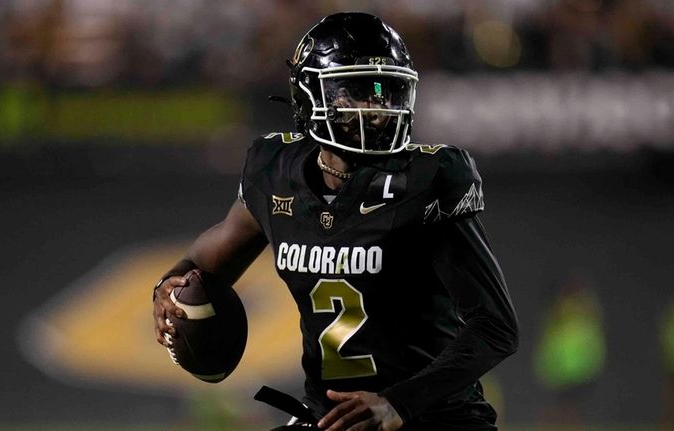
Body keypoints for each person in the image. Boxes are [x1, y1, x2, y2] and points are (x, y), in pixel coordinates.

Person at [152, 12, 519, 431]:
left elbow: (495, 326)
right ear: (308, 95)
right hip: (332, 419)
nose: (377, 108)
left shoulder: (425, 180)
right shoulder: (276, 173)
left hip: (433, 417)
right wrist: (168, 287)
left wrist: (396, 402)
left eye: (386, 92)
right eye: (357, 92)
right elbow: (200, 266)